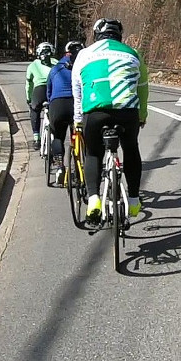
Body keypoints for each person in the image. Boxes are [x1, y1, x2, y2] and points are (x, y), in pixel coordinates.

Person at [72, 18, 148, 222]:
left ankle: (94, 198)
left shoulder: (84, 54)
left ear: (96, 35)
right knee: (131, 148)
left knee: (93, 153)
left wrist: (78, 120)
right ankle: (133, 201)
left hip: (95, 113)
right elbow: (142, 89)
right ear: (119, 35)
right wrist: (141, 116)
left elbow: (77, 90)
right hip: (127, 112)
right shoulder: (132, 53)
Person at [45, 40, 84, 182]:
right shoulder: (82, 67)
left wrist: (50, 103)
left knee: (58, 136)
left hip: (58, 104)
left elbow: (48, 91)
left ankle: (60, 166)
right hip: (75, 102)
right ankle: (81, 161)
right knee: (79, 133)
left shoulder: (55, 69)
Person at [25, 41, 57, 147]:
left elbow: (28, 85)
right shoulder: (56, 62)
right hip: (53, 89)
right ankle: (56, 138)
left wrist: (29, 99)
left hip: (39, 90)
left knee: (35, 110)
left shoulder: (32, 65)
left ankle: (36, 138)